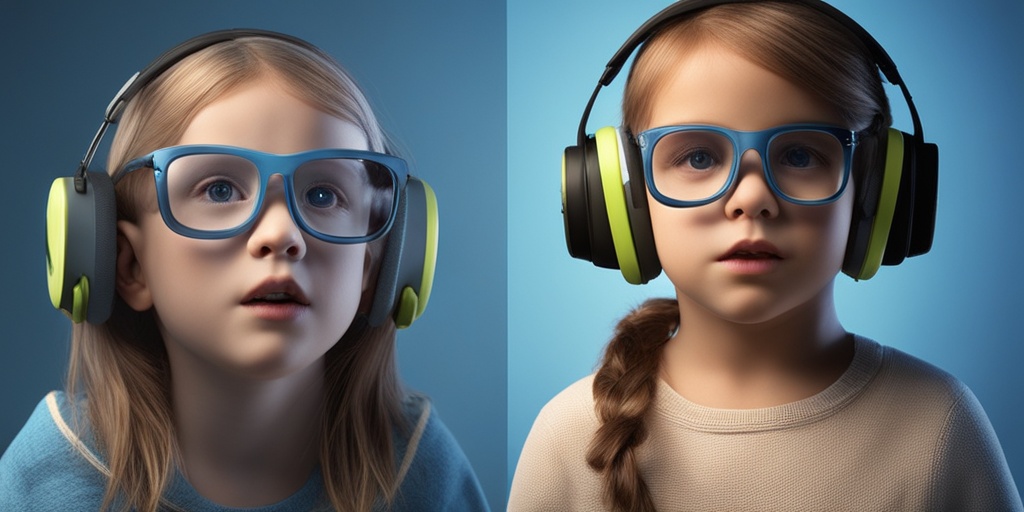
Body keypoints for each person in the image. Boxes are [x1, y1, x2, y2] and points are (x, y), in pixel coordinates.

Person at [508, 1, 1023, 511]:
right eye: (699, 156)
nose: (751, 198)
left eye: (801, 155)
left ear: (874, 188)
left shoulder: (939, 423)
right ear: (623, 195)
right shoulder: (568, 436)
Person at [0, 31, 487, 512]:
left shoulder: (422, 476)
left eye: (322, 195)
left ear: (372, 266)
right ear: (126, 264)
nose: (281, 234)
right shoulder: (49, 478)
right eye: (219, 190)